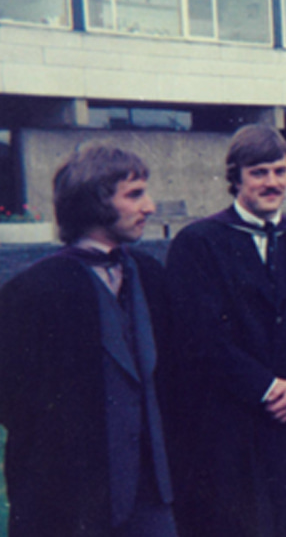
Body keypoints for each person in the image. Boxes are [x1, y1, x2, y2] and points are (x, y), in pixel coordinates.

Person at [163, 124, 286, 537]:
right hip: (229, 424)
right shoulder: (198, 243)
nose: (272, 182)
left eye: (279, 171)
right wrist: (267, 388)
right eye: (259, 172)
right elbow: (200, 337)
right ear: (235, 177)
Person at [0, 145, 176, 537]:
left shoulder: (149, 275)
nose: (148, 207)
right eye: (134, 195)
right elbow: (13, 401)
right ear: (92, 200)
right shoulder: (33, 290)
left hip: (150, 494)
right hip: (70, 499)